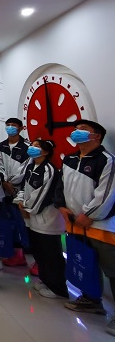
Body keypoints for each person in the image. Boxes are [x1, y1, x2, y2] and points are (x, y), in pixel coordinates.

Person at [56, 120, 115, 335]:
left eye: (82, 130)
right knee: (86, 263)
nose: (76, 132)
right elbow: (61, 186)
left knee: (112, 269)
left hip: (100, 225)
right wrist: (61, 206)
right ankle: (91, 300)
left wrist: (88, 214)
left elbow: (107, 193)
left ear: (96, 136)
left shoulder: (106, 160)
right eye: (75, 129)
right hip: (75, 223)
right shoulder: (70, 159)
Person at [13, 139, 68, 299]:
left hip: (46, 219)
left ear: (46, 151)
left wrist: (27, 208)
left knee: (51, 254)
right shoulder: (31, 167)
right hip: (32, 218)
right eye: (32, 145)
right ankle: (45, 280)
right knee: (39, 252)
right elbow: (24, 187)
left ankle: (58, 288)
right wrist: (20, 202)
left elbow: (43, 195)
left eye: (37, 146)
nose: (32, 148)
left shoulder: (49, 170)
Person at [0, 117, 31, 267]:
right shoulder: (0, 146)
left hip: (22, 191)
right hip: (5, 191)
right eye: (8, 125)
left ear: (21, 128)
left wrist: (12, 183)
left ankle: (31, 255)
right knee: (9, 223)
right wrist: (4, 182)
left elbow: (26, 168)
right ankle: (16, 255)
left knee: (24, 224)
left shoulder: (28, 147)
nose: (10, 127)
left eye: (14, 125)